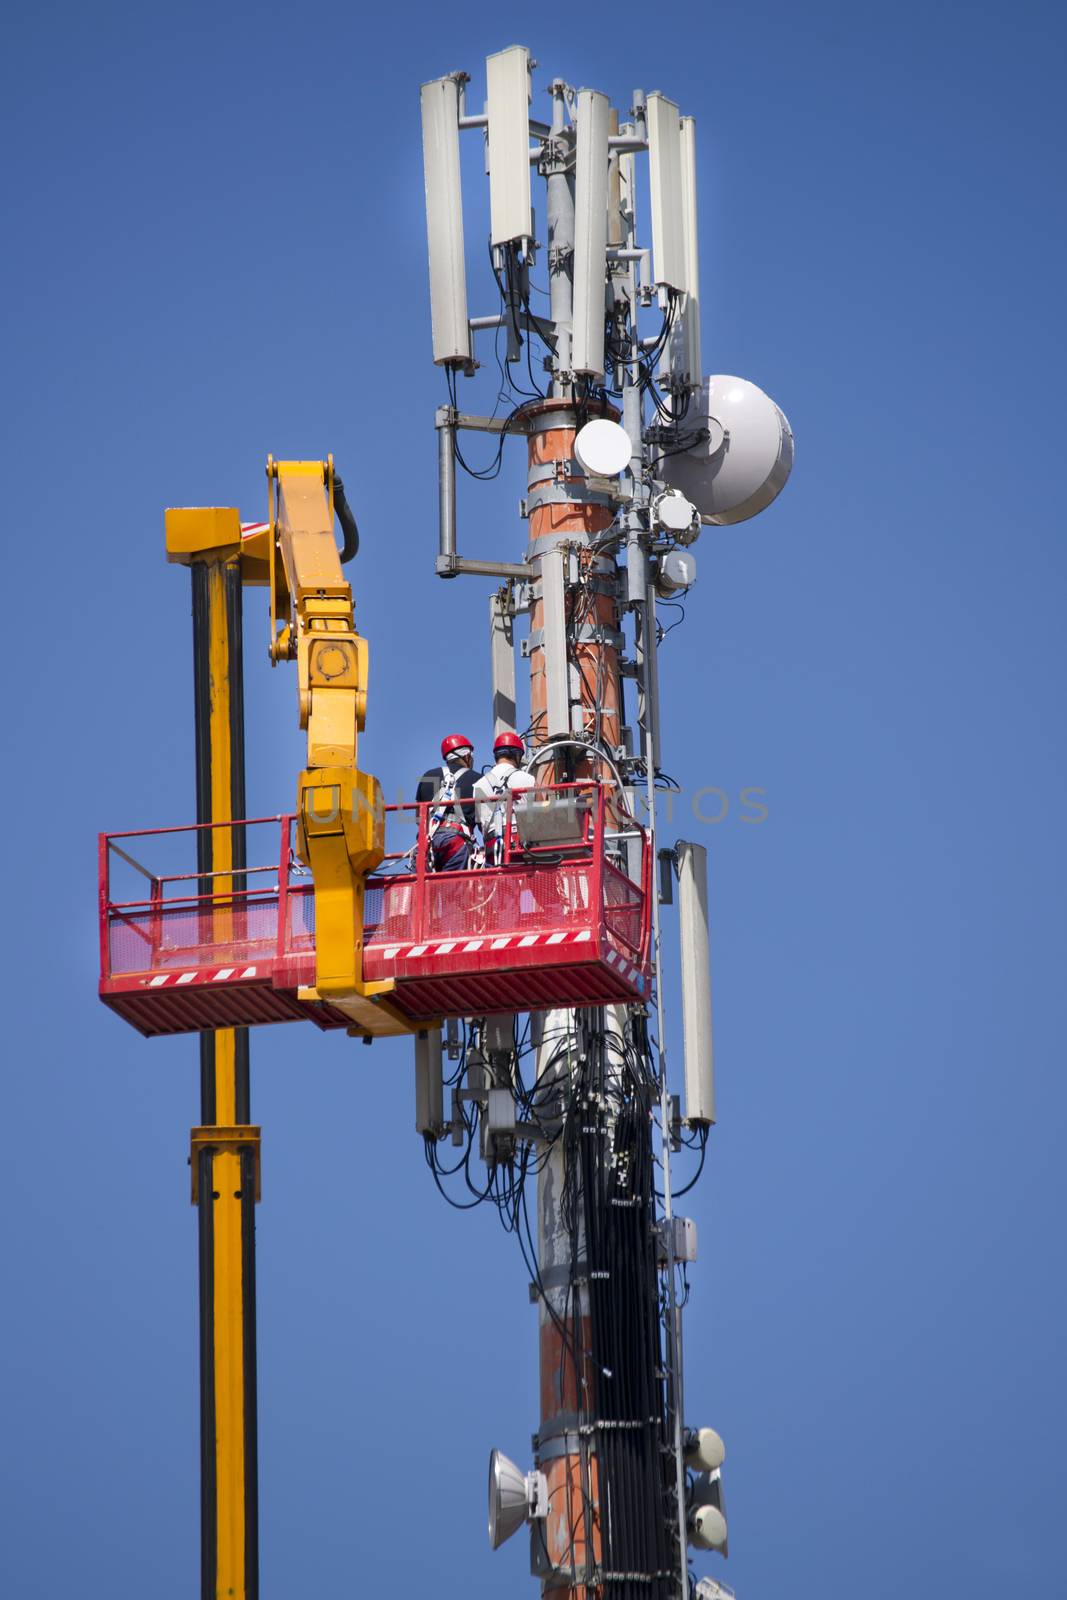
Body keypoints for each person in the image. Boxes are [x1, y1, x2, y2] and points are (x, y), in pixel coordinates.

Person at [417, 734, 479, 871]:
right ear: (467, 756)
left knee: (425, 889)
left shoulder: (428, 776)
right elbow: (485, 821)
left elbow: (419, 818)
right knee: (452, 891)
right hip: (456, 841)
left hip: (427, 843)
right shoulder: (478, 780)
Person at [474, 731, 536, 864]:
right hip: (523, 847)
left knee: (499, 883)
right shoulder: (529, 779)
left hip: (492, 848)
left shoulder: (478, 785)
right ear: (517, 755)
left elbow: (480, 825)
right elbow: (542, 813)